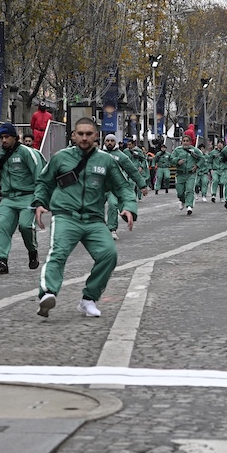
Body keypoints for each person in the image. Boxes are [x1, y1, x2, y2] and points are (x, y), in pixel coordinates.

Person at [33, 117, 137, 318]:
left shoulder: (106, 161)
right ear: (73, 135)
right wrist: (39, 203)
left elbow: (122, 187)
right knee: (58, 253)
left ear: (96, 136)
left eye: (89, 134)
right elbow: (44, 182)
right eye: (80, 133)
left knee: (109, 255)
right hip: (66, 217)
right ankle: (48, 293)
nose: (84, 137)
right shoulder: (60, 158)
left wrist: (129, 207)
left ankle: (89, 299)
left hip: (94, 219)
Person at [0, 123, 45, 275]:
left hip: (28, 196)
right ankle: (1, 261)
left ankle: (32, 251)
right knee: (2, 226)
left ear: (15, 137)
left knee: (25, 226)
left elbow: (39, 175)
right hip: (8, 199)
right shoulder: (2, 154)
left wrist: (39, 199)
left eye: (7, 137)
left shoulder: (28, 153)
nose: (4, 140)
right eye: (2, 137)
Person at [102, 134, 149, 239]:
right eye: (107, 141)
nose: (109, 143)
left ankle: (112, 229)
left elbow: (132, 171)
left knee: (113, 204)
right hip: (98, 187)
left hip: (113, 188)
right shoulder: (98, 154)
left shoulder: (121, 156)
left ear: (115, 143)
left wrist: (142, 185)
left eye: (112, 141)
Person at [168, 134, 203, 215]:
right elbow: (171, 159)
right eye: (184, 141)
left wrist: (197, 165)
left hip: (191, 174)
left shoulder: (195, 150)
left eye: (187, 141)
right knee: (180, 192)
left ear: (190, 142)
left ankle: (189, 206)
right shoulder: (177, 150)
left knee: (189, 189)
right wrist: (177, 161)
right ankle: (182, 200)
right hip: (180, 174)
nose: (185, 143)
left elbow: (202, 158)